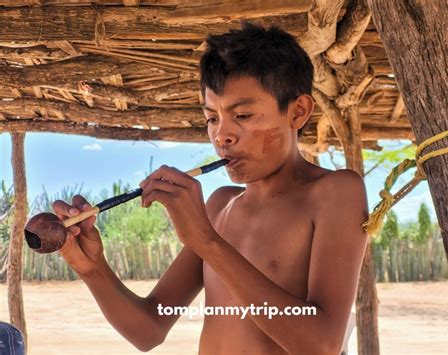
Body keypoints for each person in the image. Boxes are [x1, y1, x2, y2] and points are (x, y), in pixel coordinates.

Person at [53, 23, 368, 354]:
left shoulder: (333, 192)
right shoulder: (221, 206)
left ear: (298, 111)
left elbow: (322, 345)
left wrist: (206, 240)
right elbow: (150, 328)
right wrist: (91, 267)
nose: (222, 136)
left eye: (243, 115)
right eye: (212, 118)